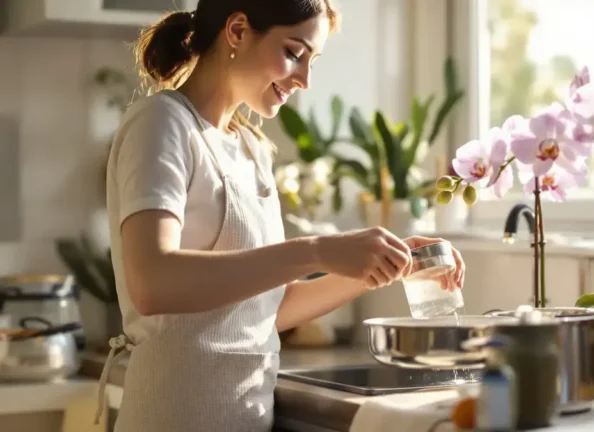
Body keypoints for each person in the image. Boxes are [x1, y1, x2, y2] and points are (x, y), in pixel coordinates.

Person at [93, 1, 465, 431]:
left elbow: (266, 309)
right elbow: (153, 283)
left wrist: (380, 266)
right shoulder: (162, 123)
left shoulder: (251, 149)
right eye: (294, 52)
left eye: (312, 60)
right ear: (236, 30)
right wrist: (317, 251)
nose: (305, 79)